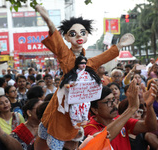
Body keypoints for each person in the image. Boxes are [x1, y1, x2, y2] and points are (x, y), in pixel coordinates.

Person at [35, 4, 135, 148]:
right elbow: (58, 44)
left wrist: (119, 46)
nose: (79, 36)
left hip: (76, 110)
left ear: (87, 35)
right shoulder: (66, 56)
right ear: (66, 37)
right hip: (61, 108)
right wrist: (49, 23)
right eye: (73, 34)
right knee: (51, 137)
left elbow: (102, 58)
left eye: (82, 32)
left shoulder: (88, 62)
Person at [84, 80, 158, 150]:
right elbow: (102, 140)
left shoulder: (120, 119)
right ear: (95, 109)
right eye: (108, 101)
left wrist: (149, 106)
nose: (113, 104)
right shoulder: (89, 127)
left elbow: (151, 127)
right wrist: (131, 109)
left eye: (113, 99)